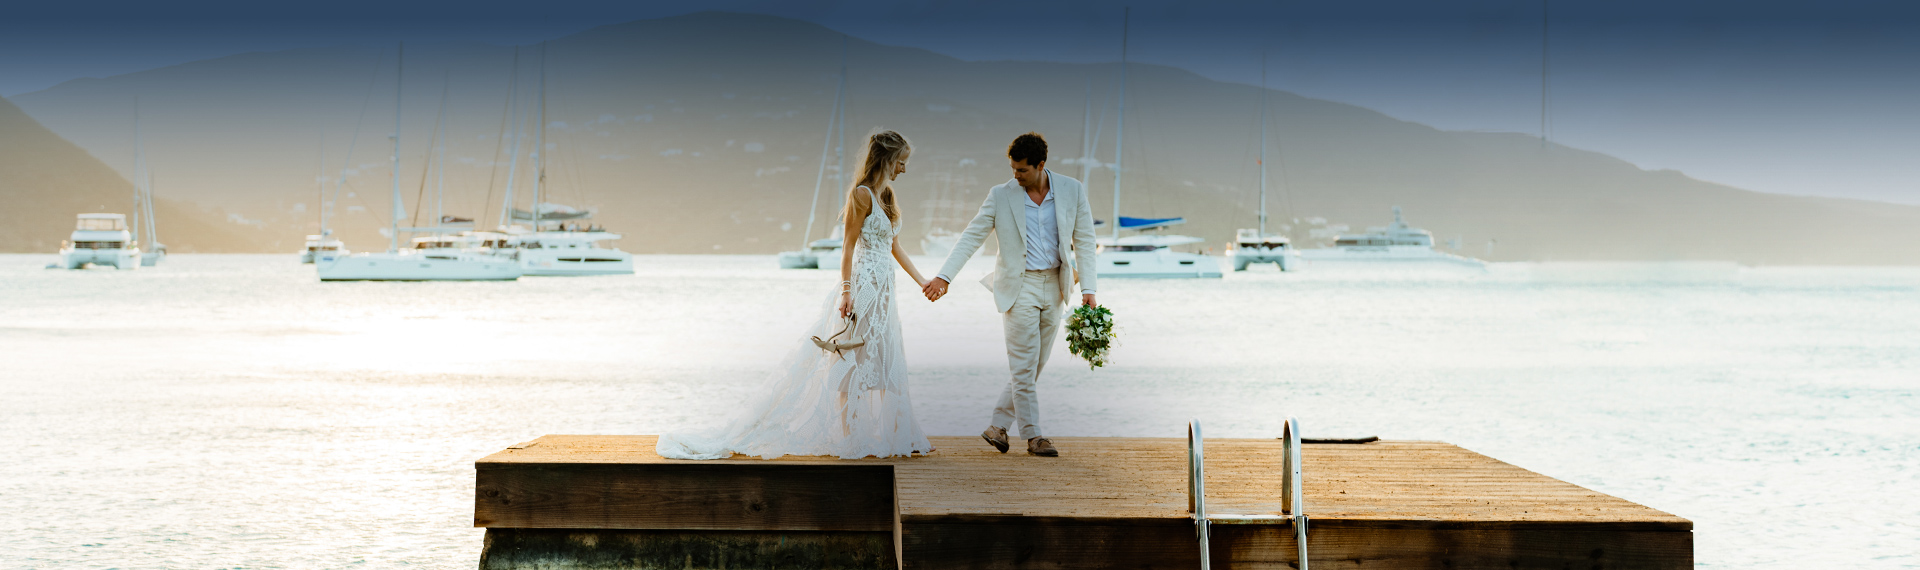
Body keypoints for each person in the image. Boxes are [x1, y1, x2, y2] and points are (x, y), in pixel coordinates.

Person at [658, 130, 935, 460]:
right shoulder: (861, 195)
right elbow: (847, 248)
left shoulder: (887, 196)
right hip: (862, 288)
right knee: (853, 361)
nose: (904, 169)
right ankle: (852, 438)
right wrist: (846, 292)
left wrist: (922, 281)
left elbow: (894, 247)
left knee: (887, 360)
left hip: (885, 294)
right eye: (901, 162)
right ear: (887, 159)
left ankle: (896, 436)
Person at [922, 132, 1098, 457]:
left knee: (1035, 365)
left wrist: (1088, 289)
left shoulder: (1072, 190)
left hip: (1057, 286)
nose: (1015, 175)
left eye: (1022, 170)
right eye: (1013, 169)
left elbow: (1085, 240)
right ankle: (1034, 437)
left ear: (1040, 165)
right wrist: (944, 277)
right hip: (1018, 288)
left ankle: (997, 426)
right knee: (1022, 365)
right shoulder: (1000, 195)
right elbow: (971, 237)